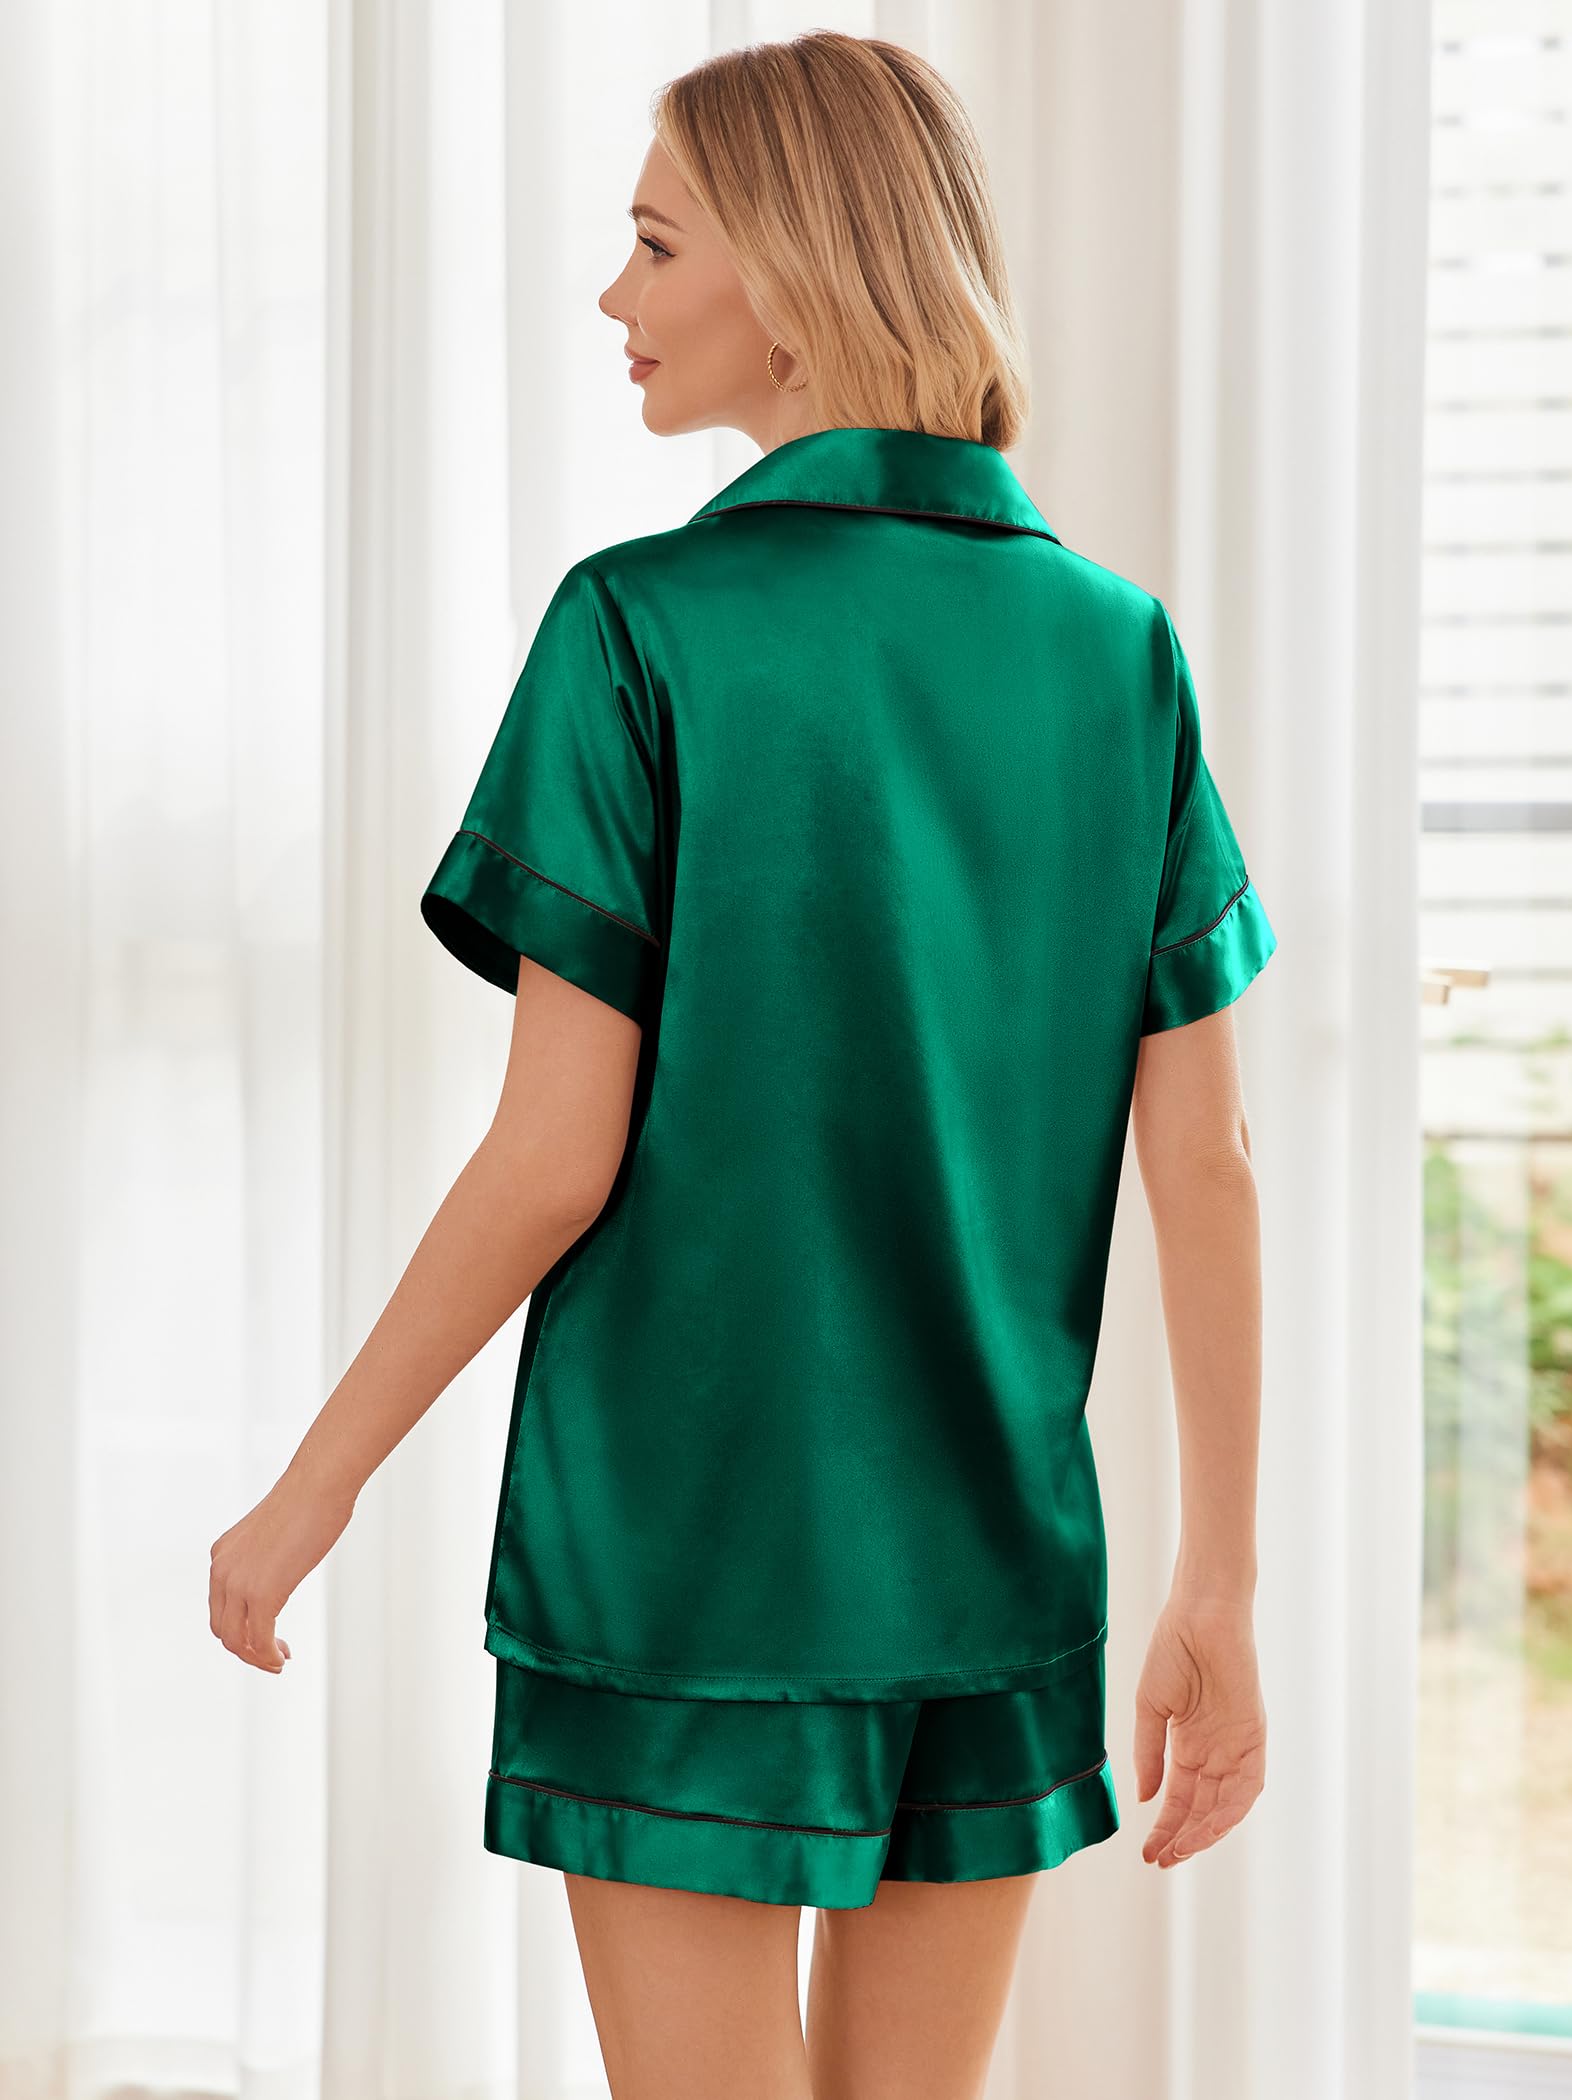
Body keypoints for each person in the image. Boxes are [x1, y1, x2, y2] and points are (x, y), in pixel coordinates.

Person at [208, 29, 1276, 2100]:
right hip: (992, 1557)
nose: (612, 292)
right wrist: (1219, 1581)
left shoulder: (639, 629)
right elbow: (1208, 1162)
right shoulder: (1119, 650)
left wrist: (308, 1489)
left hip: (688, 1555)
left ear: (794, 271)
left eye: (654, 241)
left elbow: (553, 1156)